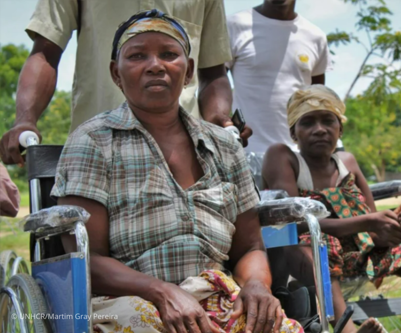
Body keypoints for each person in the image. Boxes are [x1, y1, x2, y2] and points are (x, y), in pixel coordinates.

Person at [51, 11, 302, 333]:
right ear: (116, 73)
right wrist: (162, 291)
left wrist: (257, 285)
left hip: (215, 294)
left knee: (274, 325)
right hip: (127, 299)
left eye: (169, 55)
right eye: (137, 55)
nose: (155, 65)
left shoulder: (224, 147)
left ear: (189, 72)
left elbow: (250, 246)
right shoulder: (93, 141)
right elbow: (88, 258)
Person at [262, 85, 401, 333]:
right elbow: (294, 222)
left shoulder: (347, 162)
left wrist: (394, 227)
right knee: (316, 243)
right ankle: (347, 329)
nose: (319, 129)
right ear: (294, 133)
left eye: (328, 120)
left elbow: (371, 225)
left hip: (356, 251)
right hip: (305, 255)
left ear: (340, 128)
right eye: (307, 122)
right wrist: (369, 222)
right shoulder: (283, 157)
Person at [1, 0, 252, 166]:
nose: (154, 66)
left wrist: (219, 118)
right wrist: (25, 119)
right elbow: (46, 52)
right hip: (97, 150)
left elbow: (213, 71)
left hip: (184, 154)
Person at [226, 0, 333, 154]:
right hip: (246, 153)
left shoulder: (315, 37)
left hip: (300, 156)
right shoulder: (234, 25)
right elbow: (214, 82)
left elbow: (318, 101)